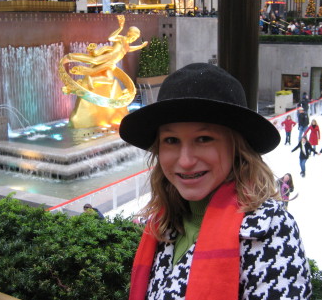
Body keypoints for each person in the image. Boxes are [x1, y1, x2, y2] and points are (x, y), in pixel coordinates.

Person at [120, 63, 311, 300]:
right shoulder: (163, 224)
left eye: (204, 138)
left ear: (237, 147)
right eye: (171, 140)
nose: (186, 160)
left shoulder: (269, 229)